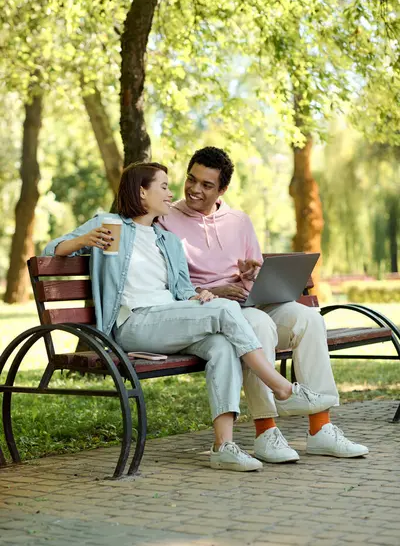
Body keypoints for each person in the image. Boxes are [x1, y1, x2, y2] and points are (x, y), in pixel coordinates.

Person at [43, 162, 337, 472]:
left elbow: (182, 289)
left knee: (222, 345)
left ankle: (223, 446)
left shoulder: (167, 240)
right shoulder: (111, 225)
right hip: (132, 324)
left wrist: (200, 296)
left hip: (166, 320)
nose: (172, 193)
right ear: (142, 192)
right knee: (226, 309)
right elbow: (52, 249)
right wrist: (84, 241)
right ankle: (283, 389)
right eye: (165, 187)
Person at [159, 147, 369, 462]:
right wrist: (216, 291)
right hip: (208, 312)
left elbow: (254, 270)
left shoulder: (239, 221)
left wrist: (252, 275)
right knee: (257, 326)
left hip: (249, 301)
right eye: (192, 179)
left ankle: (320, 428)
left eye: (206, 185)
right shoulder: (166, 219)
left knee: (308, 319)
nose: (195, 190)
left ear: (222, 190)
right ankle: (266, 432)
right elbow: (167, 282)